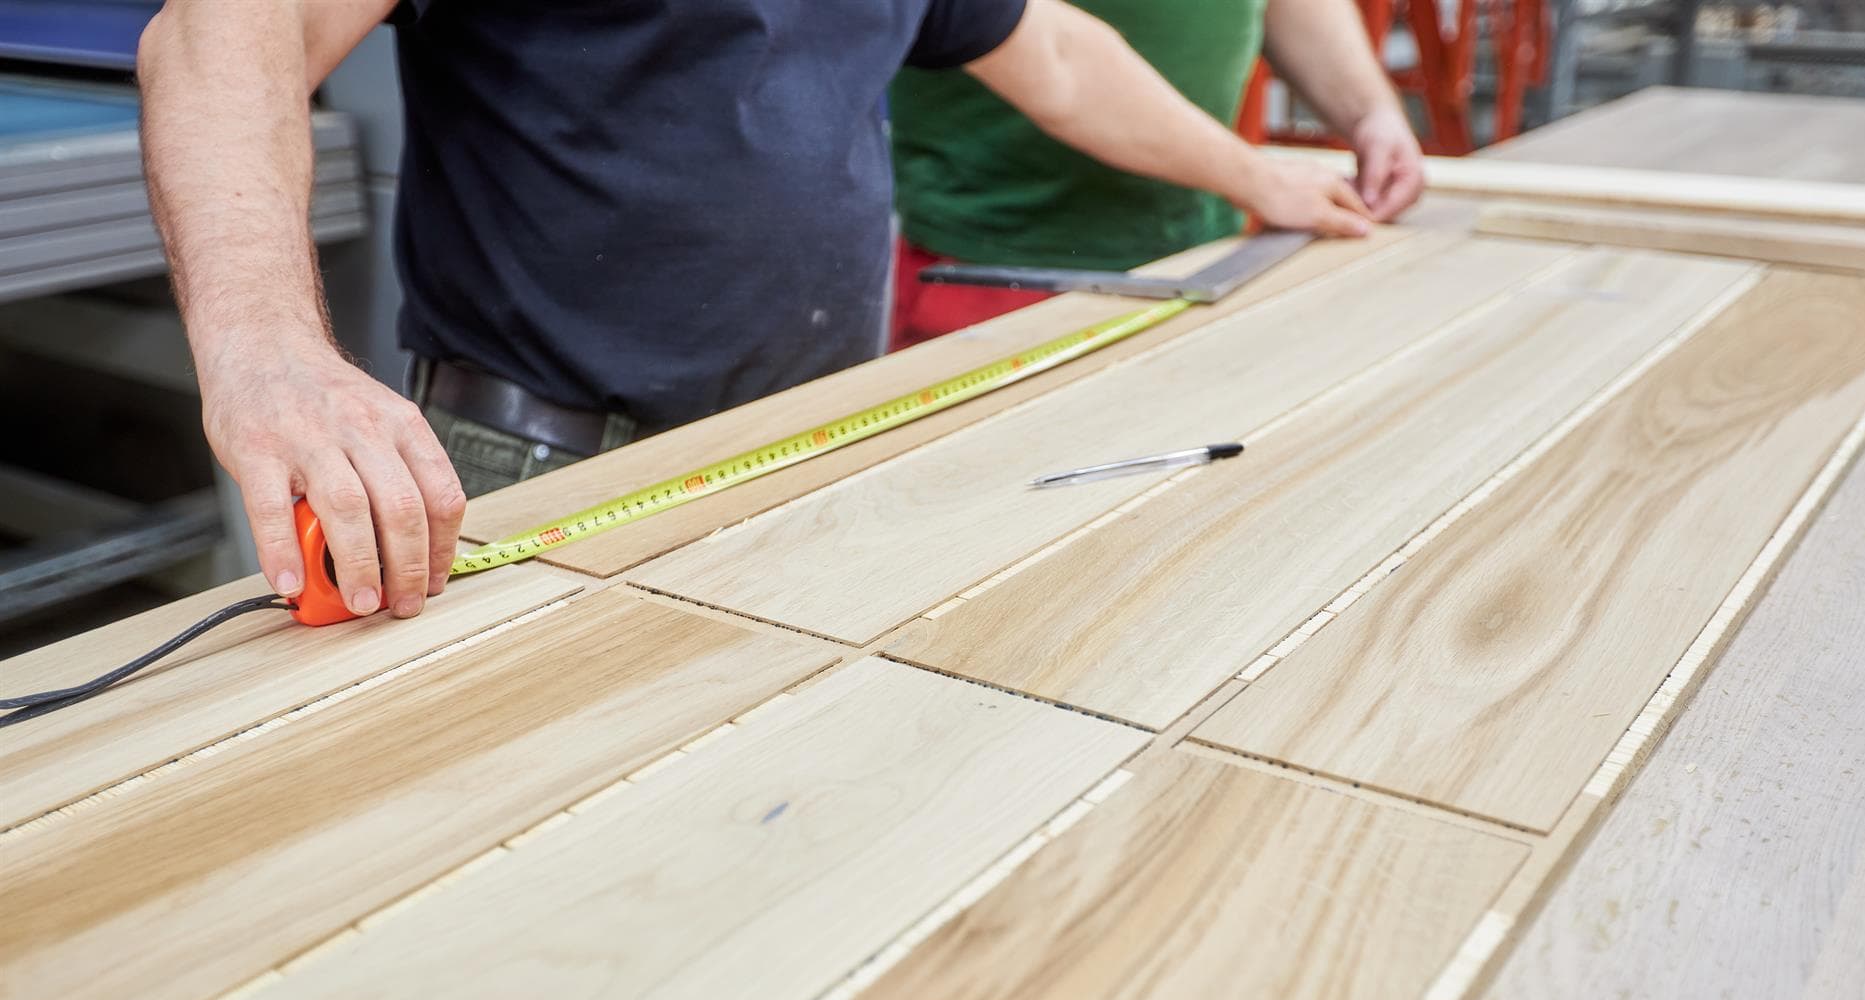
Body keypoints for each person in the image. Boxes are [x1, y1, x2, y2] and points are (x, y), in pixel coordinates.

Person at [136, 0, 1379, 622]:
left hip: (815, 454)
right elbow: (220, 33)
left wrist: (1255, 174)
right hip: (535, 471)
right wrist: (270, 349)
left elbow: (1047, 50)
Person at [890, 0, 1426, 347]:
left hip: (1211, 254)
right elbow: (1056, 57)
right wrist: (1259, 179)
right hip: (999, 275)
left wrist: (1367, 110)